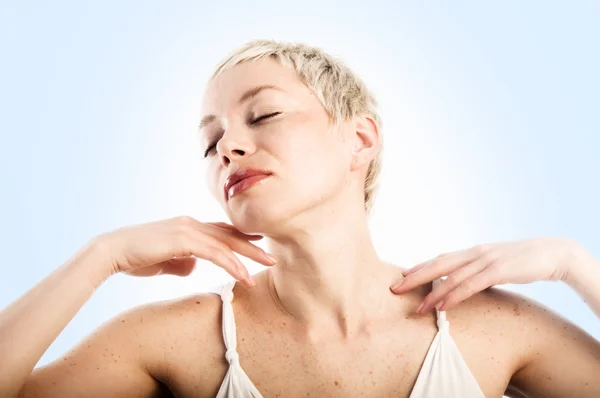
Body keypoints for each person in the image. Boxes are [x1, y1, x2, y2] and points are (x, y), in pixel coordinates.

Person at [1, 39, 599, 398]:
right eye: (210, 144)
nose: (229, 147)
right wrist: (98, 257)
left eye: (261, 116)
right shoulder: (175, 339)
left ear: (360, 139)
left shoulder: (488, 327)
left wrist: (575, 265)